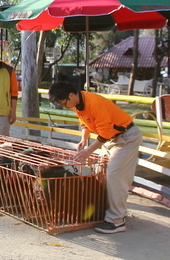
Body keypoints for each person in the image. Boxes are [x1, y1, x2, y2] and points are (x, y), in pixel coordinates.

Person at [48, 81, 143, 234]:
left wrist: (88, 151)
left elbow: (105, 133)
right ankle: (105, 210)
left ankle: (117, 220)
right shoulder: (77, 103)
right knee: (100, 172)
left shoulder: (94, 102)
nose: (64, 106)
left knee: (115, 175)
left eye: (63, 102)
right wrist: (84, 140)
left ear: (71, 95)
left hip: (126, 137)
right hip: (111, 139)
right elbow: (85, 123)